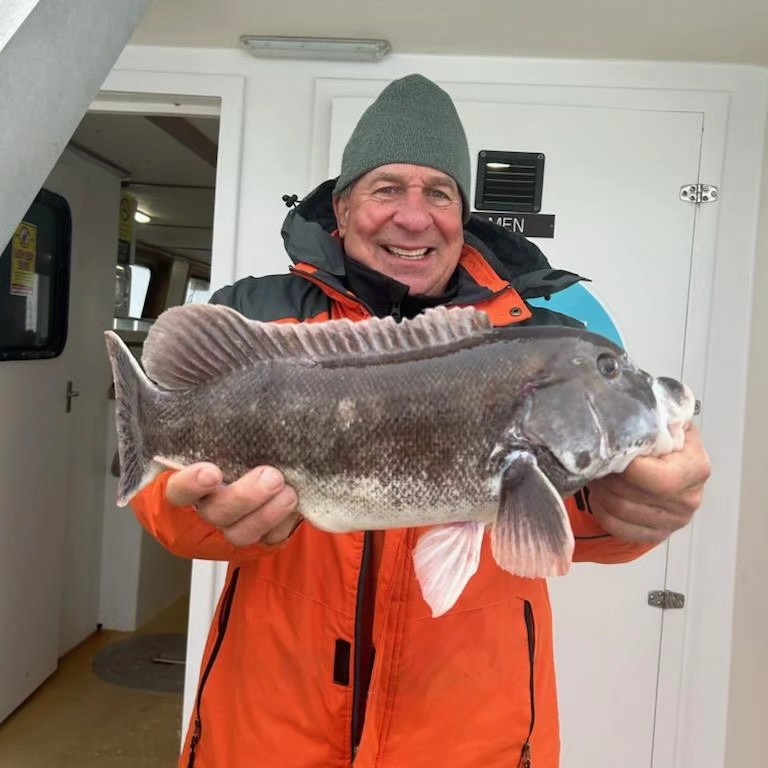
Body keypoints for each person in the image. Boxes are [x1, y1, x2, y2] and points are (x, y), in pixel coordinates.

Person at [132, 74, 711, 768]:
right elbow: (163, 500)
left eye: (439, 193)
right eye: (386, 189)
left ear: (461, 216)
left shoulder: (551, 338)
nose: (414, 216)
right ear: (341, 211)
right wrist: (201, 512)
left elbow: (580, 522)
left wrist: (638, 508)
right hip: (271, 728)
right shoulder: (258, 320)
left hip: (474, 733)